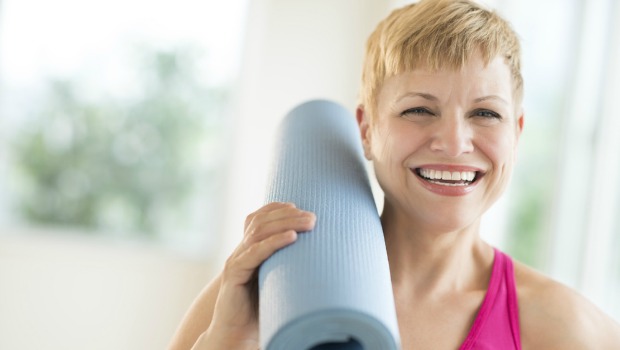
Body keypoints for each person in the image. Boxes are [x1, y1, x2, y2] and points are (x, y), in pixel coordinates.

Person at [169, 0, 620, 349]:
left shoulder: (564, 327)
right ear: (366, 129)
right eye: (419, 109)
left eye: (485, 113)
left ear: (516, 135)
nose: (454, 141)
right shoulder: (267, 290)